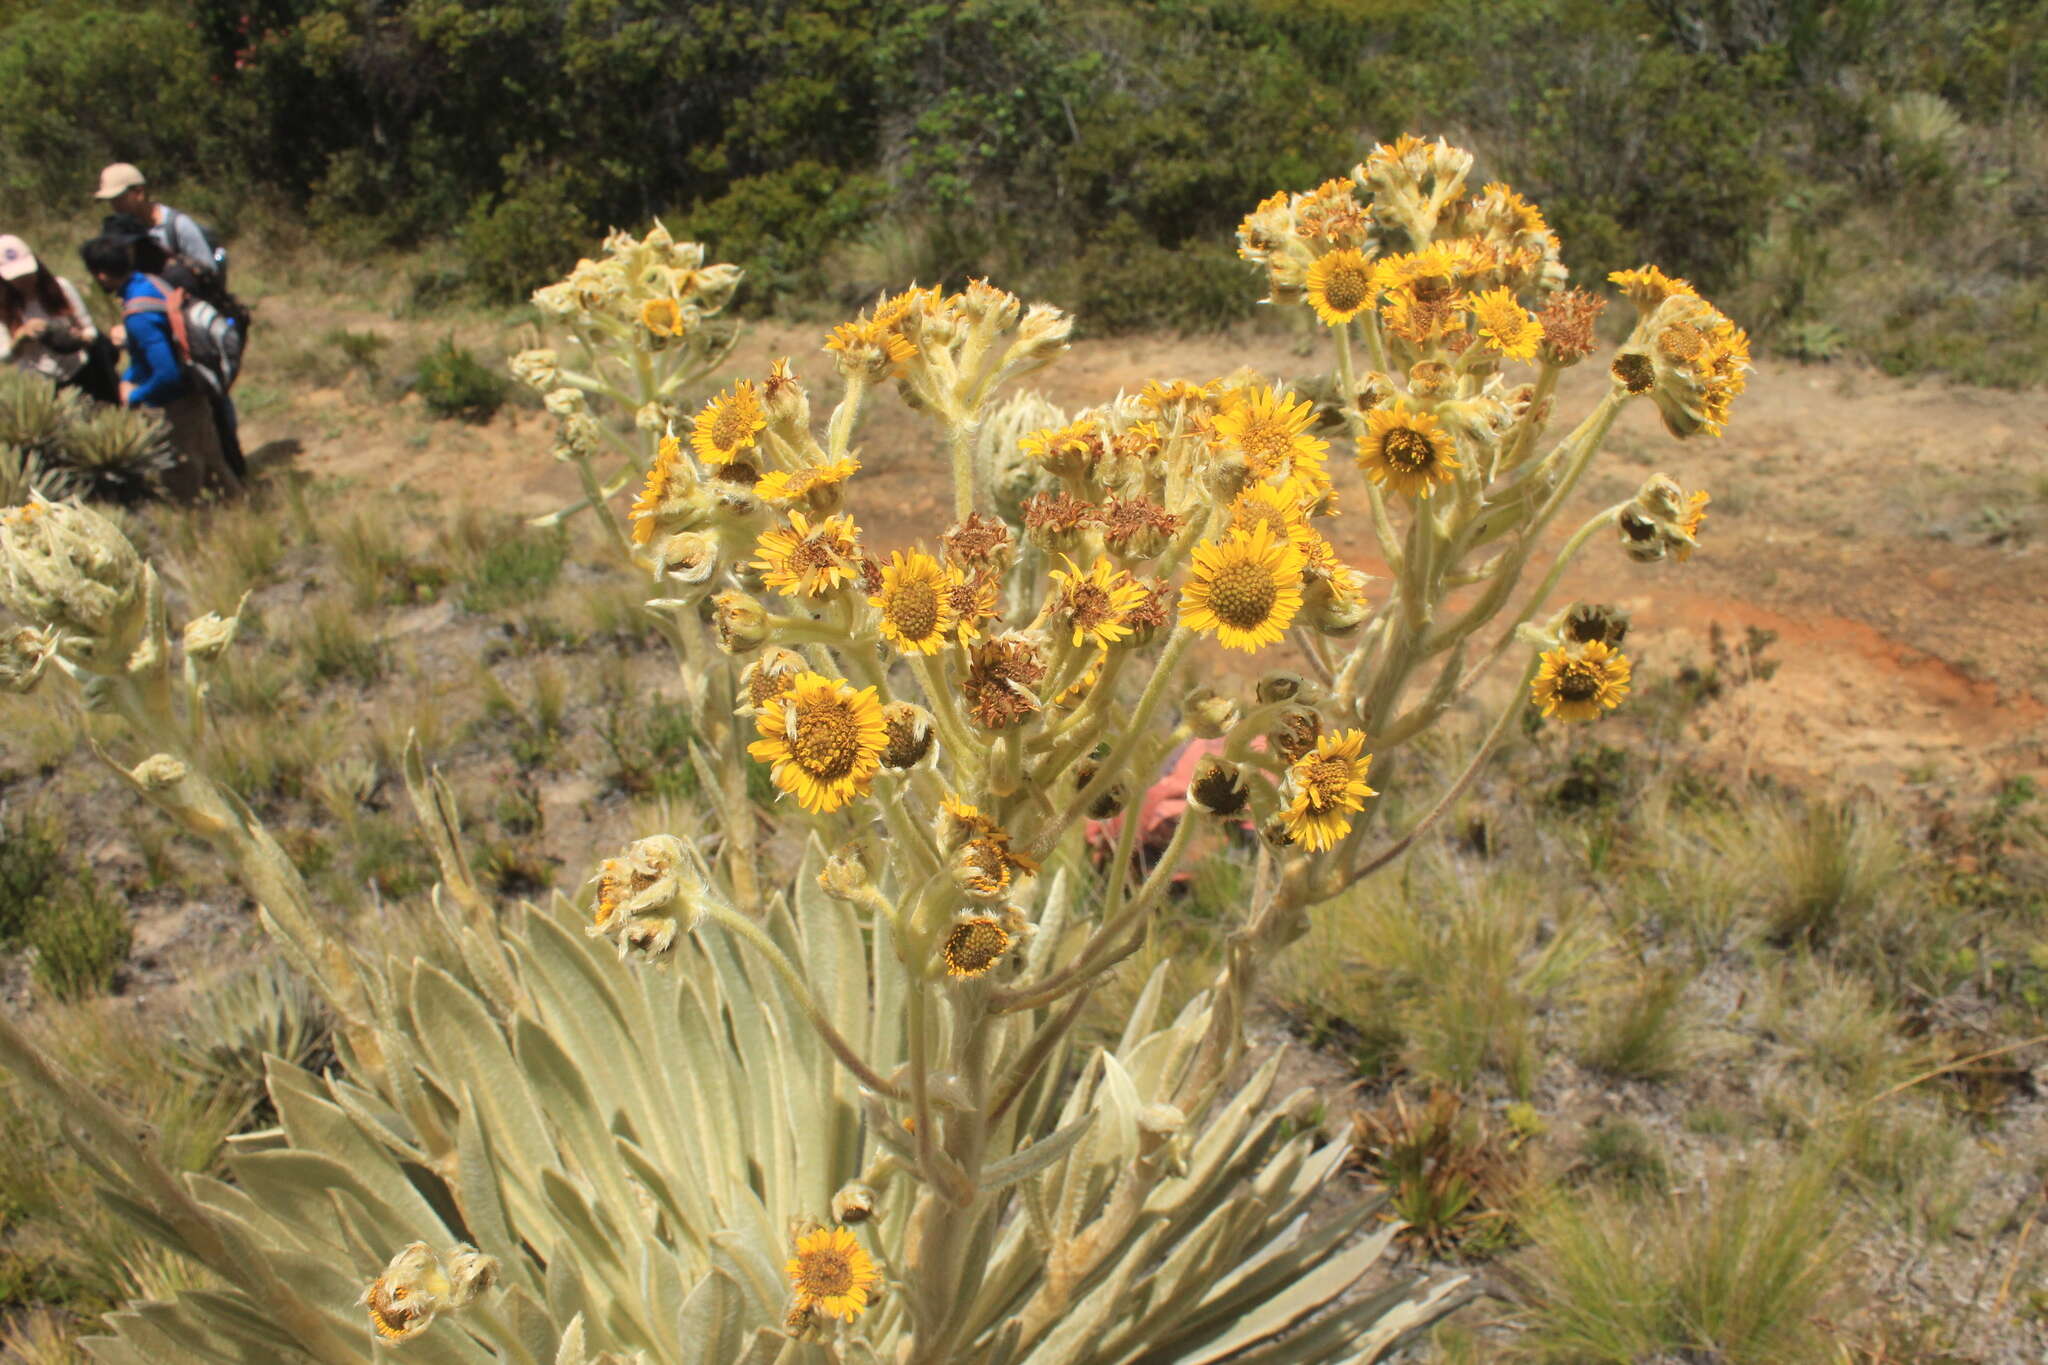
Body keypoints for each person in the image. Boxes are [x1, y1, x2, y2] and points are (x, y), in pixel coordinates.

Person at [79, 234, 240, 501]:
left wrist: (135, 395)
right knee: (216, 463)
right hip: (195, 391)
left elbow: (166, 373)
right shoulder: (152, 283)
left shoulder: (138, 314)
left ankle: (201, 532)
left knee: (183, 478)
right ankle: (241, 514)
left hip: (175, 407)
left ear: (102, 275)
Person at [0, 234, 120, 404]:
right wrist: (21, 337)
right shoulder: (5, 309)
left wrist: (80, 338)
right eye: (16, 278)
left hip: (83, 373)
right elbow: (5, 356)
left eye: (27, 273)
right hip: (43, 387)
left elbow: (88, 328)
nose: (24, 280)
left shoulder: (61, 288)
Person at [93, 163, 221, 282]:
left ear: (139, 193)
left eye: (120, 198)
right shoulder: (125, 235)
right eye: (111, 201)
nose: (115, 206)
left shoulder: (177, 226)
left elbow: (210, 272)